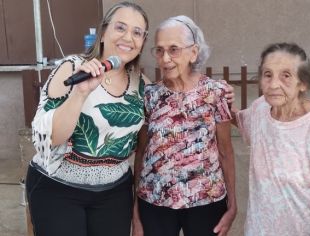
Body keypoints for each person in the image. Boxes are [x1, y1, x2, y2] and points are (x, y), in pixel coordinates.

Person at [25, 2, 151, 236]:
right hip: (58, 188)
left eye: (137, 32)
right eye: (120, 28)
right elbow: (49, 138)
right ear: (103, 32)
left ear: (143, 41)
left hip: (114, 193)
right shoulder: (72, 68)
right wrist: (80, 93)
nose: (128, 37)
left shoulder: (143, 85)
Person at [132, 15, 237, 236]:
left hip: (205, 200)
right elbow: (141, 153)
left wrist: (233, 205)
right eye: (159, 50)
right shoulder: (149, 96)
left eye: (174, 49)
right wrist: (136, 212)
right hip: (155, 201)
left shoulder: (215, 92)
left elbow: (226, 151)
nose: (165, 58)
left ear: (194, 52)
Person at [231, 42, 310, 236]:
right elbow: (241, 122)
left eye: (286, 76)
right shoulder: (261, 108)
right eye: (268, 75)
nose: (274, 84)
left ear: (302, 83)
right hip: (259, 230)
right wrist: (218, 96)